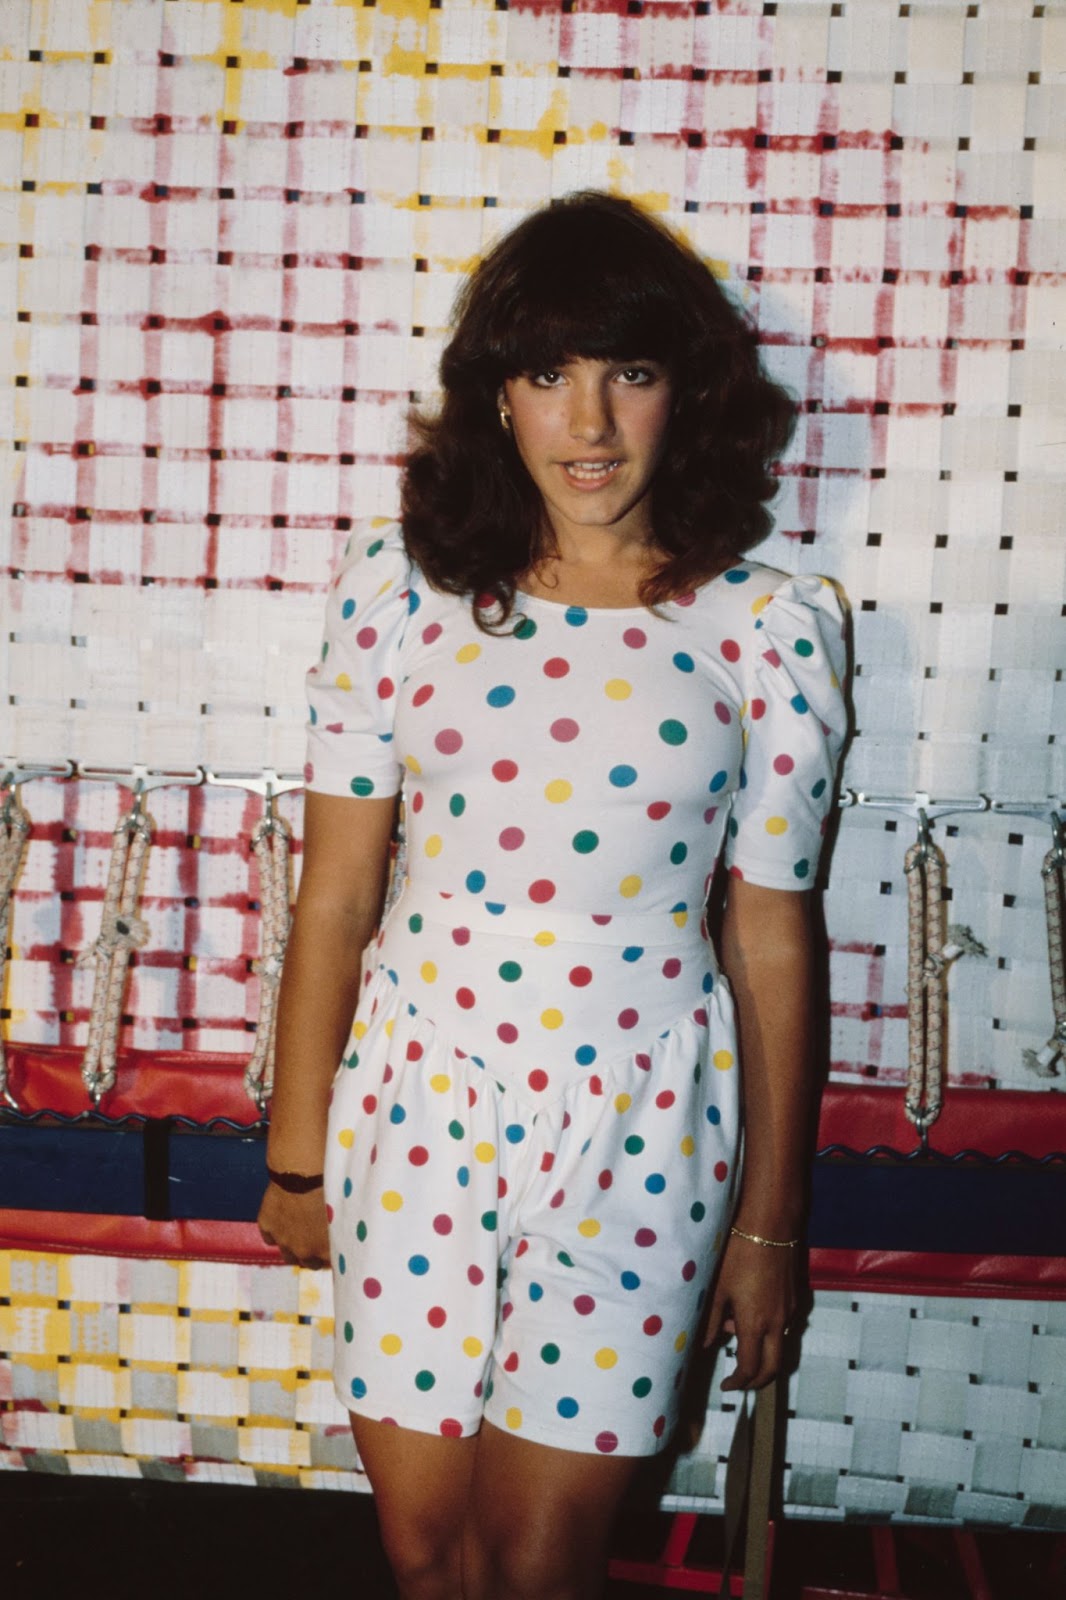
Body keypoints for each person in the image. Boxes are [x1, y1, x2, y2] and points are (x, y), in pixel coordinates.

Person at [258, 191, 848, 1600]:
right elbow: (336, 895)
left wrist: (770, 1227)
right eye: (545, 376)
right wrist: (294, 1149)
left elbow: (769, 934)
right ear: (495, 400)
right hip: (417, 1098)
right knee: (424, 1552)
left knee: (538, 1562)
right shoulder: (396, 592)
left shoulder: (770, 626)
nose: (587, 426)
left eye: (626, 375)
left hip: (642, 1117)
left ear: (683, 394)